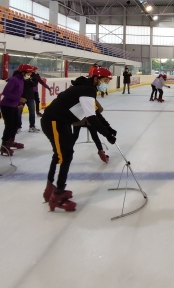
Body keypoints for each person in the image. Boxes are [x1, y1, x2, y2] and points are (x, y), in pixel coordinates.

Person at [41, 67, 117, 212]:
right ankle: (57, 195)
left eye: (107, 81)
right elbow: (91, 118)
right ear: (96, 79)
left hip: (62, 122)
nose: (106, 83)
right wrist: (106, 135)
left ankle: (52, 188)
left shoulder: (88, 89)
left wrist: (109, 128)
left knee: (64, 154)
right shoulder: (86, 90)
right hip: (53, 121)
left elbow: (96, 113)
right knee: (63, 156)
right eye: (105, 80)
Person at [71, 91, 116, 163]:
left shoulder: (74, 98)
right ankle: (101, 152)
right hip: (90, 120)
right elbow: (100, 109)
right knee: (95, 136)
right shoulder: (90, 97)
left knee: (75, 136)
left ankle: (66, 151)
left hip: (77, 120)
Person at [0, 64, 35, 155]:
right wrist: (19, 100)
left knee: (15, 125)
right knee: (9, 125)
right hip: (7, 106)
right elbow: (5, 93)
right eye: (29, 73)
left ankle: (11, 141)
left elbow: (18, 93)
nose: (30, 74)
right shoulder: (14, 80)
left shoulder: (21, 80)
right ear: (23, 72)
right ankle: (4, 146)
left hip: (14, 105)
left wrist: (19, 103)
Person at [17, 68, 39, 133]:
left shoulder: (33, 76)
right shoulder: (19, 77)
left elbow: (34, 84)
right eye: (29, 72)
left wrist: (28, 80)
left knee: (32, 112)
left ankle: (32, 126)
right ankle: (18, 127)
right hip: (21, 97)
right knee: (18, 113)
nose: (31, 73)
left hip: (30, 97)